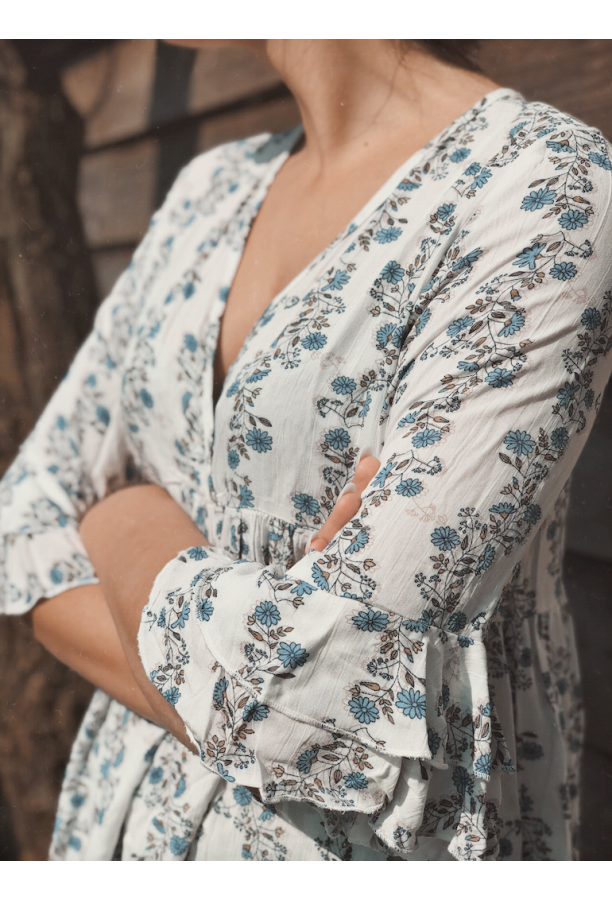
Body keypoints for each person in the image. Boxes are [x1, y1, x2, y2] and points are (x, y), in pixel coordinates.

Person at [1, 38, 611, 861]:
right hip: (123, 821)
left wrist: (117, 517)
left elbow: (312, 706)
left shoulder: (548, 188)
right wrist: (235, 642)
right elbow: (19, 522)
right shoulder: (206, 194)